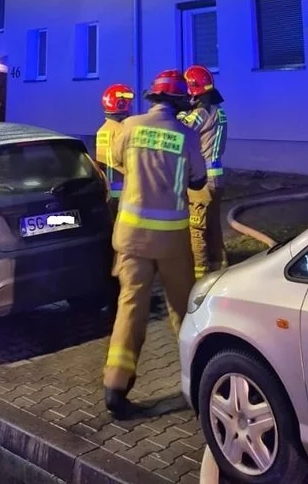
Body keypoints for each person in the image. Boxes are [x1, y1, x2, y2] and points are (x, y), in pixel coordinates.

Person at [103, 69, 206, 415]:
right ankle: (199, 376)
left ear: (154, 98)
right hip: (171, 241)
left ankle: (115, 386)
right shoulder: (187, 135)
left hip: (131, 238)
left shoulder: (130, 127)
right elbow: (197, 180)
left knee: (131, 306)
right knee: (183, 309)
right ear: (179, 102)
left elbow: (118, 162)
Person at [181, 65, 228, 279]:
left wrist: (179, 110)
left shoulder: (200, 113)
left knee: (197, 228)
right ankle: (220, 267)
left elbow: (180, 128)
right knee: (214, 225)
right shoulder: (219, 111)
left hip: (203, 181)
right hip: (217, 177)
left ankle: (200, 275)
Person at [95, 83, 135, 220]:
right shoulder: (124, 130)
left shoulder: (102, 131)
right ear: (121, 105)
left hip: (109, 192)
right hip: (127, 191)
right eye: (128, 103)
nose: (131, 107)